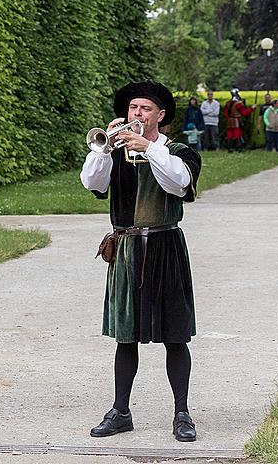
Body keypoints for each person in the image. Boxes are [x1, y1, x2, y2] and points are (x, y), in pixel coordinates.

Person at [81, 80, 202, 443]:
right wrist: (104, 151)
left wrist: (149, 149)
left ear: (160, 116)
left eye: (145, 109)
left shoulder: (179, 150)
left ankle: (181, 413)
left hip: (165, 246)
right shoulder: (115, 151)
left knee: (175, 335)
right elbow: (91, 183)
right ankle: (120, 411)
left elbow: (180, 184)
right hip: (127, 249)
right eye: (133, 108)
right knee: (125, 336)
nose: (137, 114)